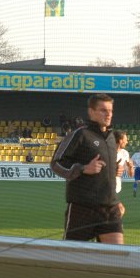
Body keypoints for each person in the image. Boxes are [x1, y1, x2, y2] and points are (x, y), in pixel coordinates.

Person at [50, 93, 124, 244]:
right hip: (82, 209)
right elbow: (56, 163)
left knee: (118, 260)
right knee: (72, 259)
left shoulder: (111, 137)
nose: (108, 114)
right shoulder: (80, 134)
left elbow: (103, 171)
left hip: (109, 209)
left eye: (110, 110)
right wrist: (83, 168)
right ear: (91, 112)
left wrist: (115, 196)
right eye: (103, 110)